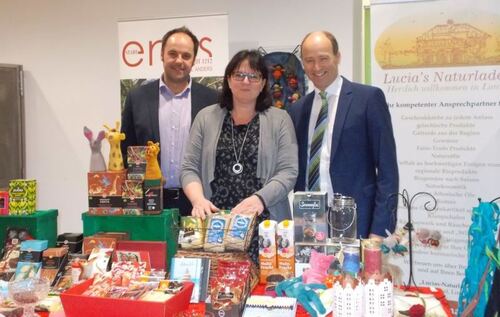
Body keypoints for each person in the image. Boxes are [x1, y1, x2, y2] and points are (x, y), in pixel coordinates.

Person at [181, 50, 298, 262]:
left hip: (264, 224)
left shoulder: (280, 119)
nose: (246, 81)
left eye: (254, 76)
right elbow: (189, 168)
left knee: (265, 291)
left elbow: (288, 171)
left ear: (263, 83)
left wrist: (259, 199)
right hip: (215, 226)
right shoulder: (205, 117)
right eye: (239, 75)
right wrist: (198, 200)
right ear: (228, 79)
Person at [289, 31, 398, 239]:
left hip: (358, 224)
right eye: (309, 60)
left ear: (337, 57)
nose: (317, 67)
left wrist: (380, 230)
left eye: (323, 59)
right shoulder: (297, 110)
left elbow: (388, 170)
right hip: (309, 225)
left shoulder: (367, 99)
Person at [121, 27, 218, 216]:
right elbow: (127, 150)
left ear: (194, 60)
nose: (179, 60)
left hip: (198, 203)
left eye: (186, 55)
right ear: (162, 55)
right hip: (149, 200)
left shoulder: (212, 99)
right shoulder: (137, 97)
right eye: (172, 54)